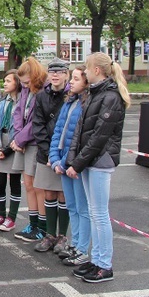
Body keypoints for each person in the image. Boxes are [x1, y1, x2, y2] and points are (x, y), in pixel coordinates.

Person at [68, 53, 130, 283]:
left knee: (100, 214)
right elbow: (81, 130)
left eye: (87, 68)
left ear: (97, 70)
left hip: (100, 162)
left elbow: (99, 136)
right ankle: (96, 260)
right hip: (89, 162)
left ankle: (105, 264)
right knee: (94, 213)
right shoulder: (95, 94)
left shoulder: (111, 97)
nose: (84, 72)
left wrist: (78, 163)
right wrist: (75, 161)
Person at [49, 66, 91, 267]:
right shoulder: (69, 102)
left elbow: (79, 138)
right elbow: (58, 132)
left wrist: (65, 161)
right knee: (72, 206)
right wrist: (55, 158)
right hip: (63, 163)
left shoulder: (86, 104)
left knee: (82, 208)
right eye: (71, 78)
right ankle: (75, 244)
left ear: (85, 82)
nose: (71, 82)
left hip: (74, 165)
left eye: (75, 79)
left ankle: (82, 247)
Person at [32, 58, 71, 253]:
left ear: (66, 74)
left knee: (63, 194)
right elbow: (37, 124)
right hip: (45, 152)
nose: (55, 75)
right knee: (48, 192)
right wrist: (48, 152)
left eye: (59, 71)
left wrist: (58, 155)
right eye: (52, 71)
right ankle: (49, 234)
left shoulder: (72, 95)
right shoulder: (41, 96)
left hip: (64, 152)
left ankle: (62, 236)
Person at [12, 57, 47, 243]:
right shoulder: (26, 90)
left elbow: (37, 122)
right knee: (28, 185)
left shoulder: (43, 92)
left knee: (38, 186)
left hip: (34, 143)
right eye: (22, 83)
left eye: (27, 82)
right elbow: (18, 112)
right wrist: (17, 136)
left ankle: (42, 226)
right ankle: (32, 223)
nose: (24, 86)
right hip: (23, 142)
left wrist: (20, 138)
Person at [0, 70, 22, 232]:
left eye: (8, 81)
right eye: (4, 81)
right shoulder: (2, 102)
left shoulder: (22, 103)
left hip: (14, 145)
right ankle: (1, 214)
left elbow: (21, 129)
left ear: (17, 83)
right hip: (1, 143)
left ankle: (12, 217)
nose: (5, 83)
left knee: (14, 182)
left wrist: (8, 150)